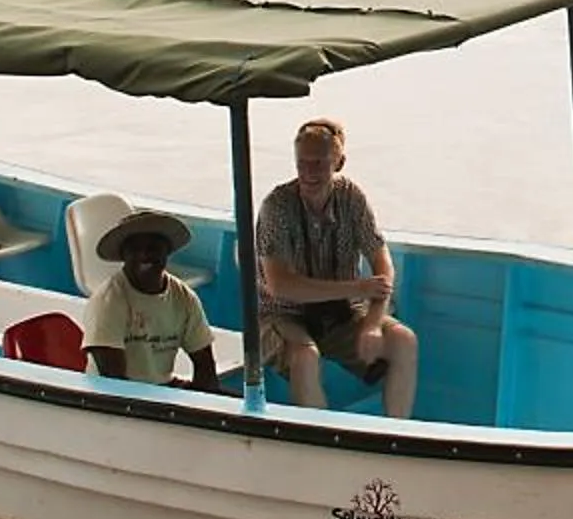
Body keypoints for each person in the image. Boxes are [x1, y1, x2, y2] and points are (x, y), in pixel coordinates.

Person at [256, 116, 417, 418]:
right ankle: (320, 442)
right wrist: (357, 287)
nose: (309, 172)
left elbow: (383, 267)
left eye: (319, 163)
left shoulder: (351, 197)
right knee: (305, 357)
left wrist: (371, 325)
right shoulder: (276, 206)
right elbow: (281, 285)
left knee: (403, 341)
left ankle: (395, 434)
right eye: (302, 163)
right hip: (283, 313)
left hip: (342, 312)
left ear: (339, 162)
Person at [82, 210, 227, 392]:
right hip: (109, 399)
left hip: (161, 390)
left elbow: (206, 369)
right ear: (123, 255)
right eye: (135, 248)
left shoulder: (184, 297)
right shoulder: (108, 301)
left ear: (167, 251)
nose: (144, 254)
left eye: (153, 248)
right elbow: (114, 384)